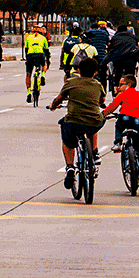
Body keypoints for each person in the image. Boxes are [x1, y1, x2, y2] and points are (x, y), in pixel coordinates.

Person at [48, 57, 105, 188]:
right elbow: (102, 100)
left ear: (78, 70)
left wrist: (53, 106)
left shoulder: (70, 82)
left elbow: (59, 99)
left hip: (73, 121)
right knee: (95, 124)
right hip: (93, 121)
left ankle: (70, 167)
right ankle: (94, 152)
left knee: (66, 134)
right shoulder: (97, 84)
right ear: (95, 72)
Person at [102, 73, 139, 182]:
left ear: (129, 85)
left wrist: (103, 114)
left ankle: (117, 143)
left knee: (118, 125)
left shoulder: (123, 94)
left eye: (121, 84)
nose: (119, 87)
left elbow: (113, 106)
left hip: (125, 117)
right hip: (137, 120)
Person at [24, 24, 51, 102]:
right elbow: (46, 49)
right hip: (40, 55)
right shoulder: (43, 38)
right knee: (44, 64)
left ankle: (29, 93)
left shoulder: (28, 37)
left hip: (30, 56)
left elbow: (26, 48)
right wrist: (47, 59)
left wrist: (27, 59)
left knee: (28, 74)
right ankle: (42, 76)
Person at [84, 21, 110, 86]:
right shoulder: (104, 33)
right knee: (103, 75)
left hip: (91, 57)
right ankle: (103, 90)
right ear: (98, 27)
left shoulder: (88, 33)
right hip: (102, 56)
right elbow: (109, 43)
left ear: (90, 28)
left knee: (91, 74)